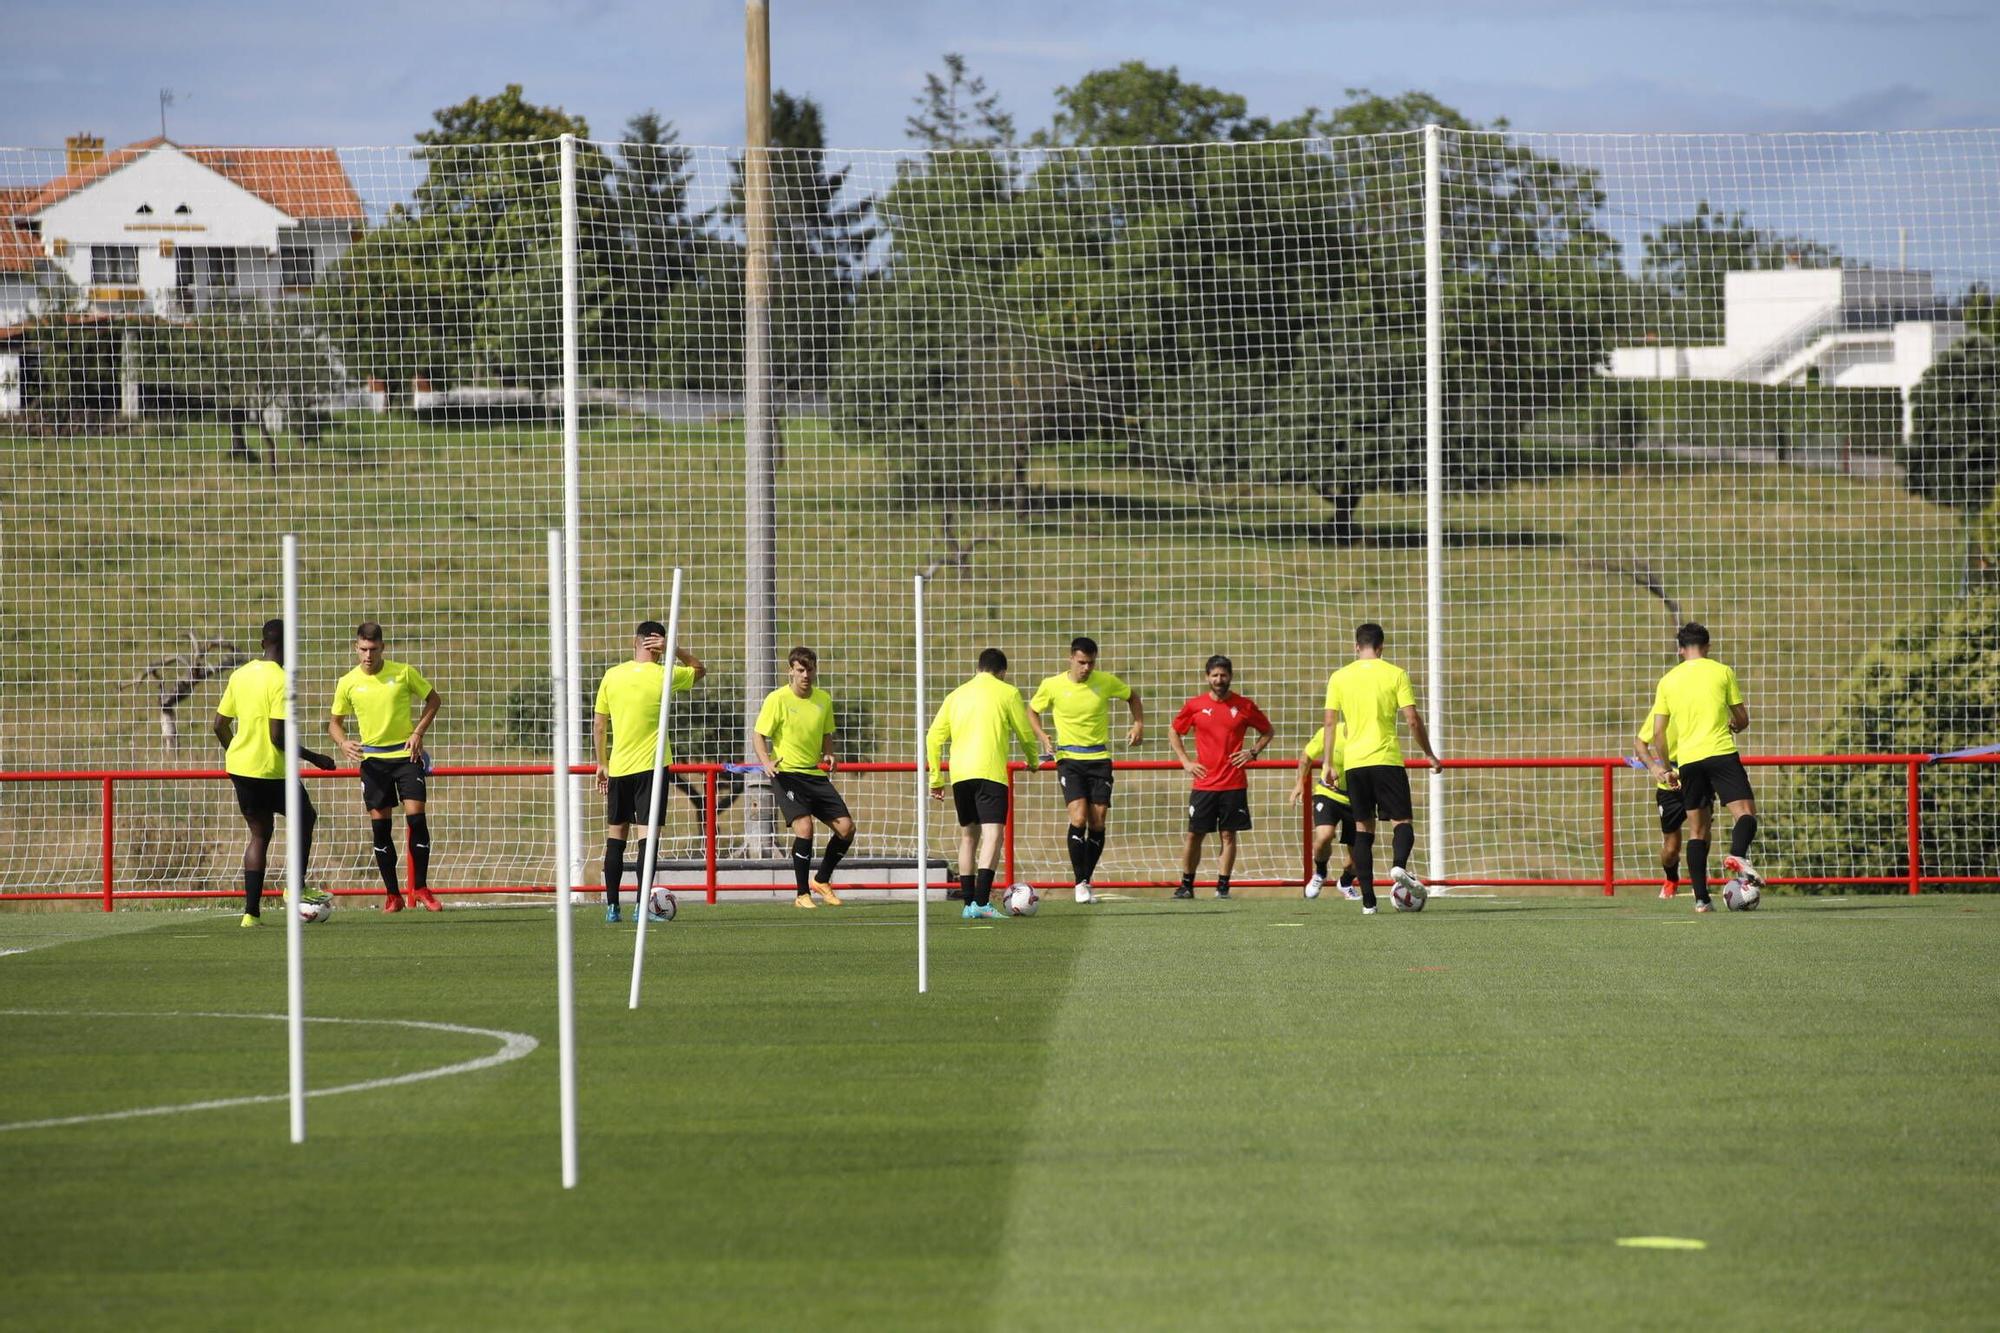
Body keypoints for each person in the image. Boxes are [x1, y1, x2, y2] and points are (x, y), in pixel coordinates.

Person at [213, 619, 336, 927]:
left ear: (261, 644)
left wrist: (235, 752)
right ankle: (295, 886)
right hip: (272, 771)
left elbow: (218, 725)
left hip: (241, 770)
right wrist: (315, 757)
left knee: (259, 834)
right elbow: (278, 737)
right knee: (305, 816)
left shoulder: (240, 675)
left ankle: (250, 915)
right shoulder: (282, 681)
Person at [1323, 623, 1442, 914]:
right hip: (1386, 759)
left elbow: (1329, 722)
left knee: (1363, 830)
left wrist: (1327, 763)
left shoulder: (1340, 677)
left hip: (1355, 764)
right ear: (1381, 647)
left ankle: (1368, 902)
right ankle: (1399, 867)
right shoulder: (1395, 673)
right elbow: (1412, 719)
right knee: (1401, 822)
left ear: (1356, 646)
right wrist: (1429, 754)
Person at [592, 621, 706, 924]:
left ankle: (612, 907)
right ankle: (642, 906)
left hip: (619, 768)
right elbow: (699, 669)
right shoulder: (665, 674)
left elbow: (599, 725)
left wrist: (602, 763)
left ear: (635, 641)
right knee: (647, 839)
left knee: (616, 838)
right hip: (652, 770)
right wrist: (675, 651)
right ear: (659, 645)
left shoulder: (612, 676)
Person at [1644, 622, 1760, 914]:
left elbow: (1658, 732)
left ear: (1681, 650)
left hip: (1689, 762)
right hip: (1721, 753)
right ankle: (1736, 855)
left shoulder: (1668, 680)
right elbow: (1742, 718)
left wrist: (1667, 767)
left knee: (1697, 831)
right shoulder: (1722, 671)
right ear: (1707, 647)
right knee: (1745, 813)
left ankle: (1701, 901)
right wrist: (1737, 724)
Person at [328, 621, 442, 913]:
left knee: (417, 821)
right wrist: (343, 743)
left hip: (406, 757)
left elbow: (433, 699)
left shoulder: (403, 672)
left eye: (374, 649)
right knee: (381, 829)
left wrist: (418, 733)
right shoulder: (347, 682)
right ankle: (393, 895)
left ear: (383, 648)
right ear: (356, 648)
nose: (368, 655)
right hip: (373, 762)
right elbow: (334, 724)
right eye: (363, 649)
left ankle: (421, 887)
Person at [927, 648, 1043, 920]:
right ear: (1002, 672)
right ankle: (981, 902)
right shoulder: (1007, 692)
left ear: (977, 668)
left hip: (960, 775)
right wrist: (1034, 760)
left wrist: (936, 777)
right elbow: (1024, 732)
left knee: (969, 836)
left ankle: (968, 904)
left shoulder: (955, 695)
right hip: (990, 773)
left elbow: (933, 737)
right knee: (994, 835)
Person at [1027, 636, 1143, 905]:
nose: (1086, 668)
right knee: (1079, 818)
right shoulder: (1052, 685)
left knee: (1098, 822)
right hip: (1069, 758)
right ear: (1071, 659)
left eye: (1091, 663)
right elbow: (1032, 710)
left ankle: (1085, 880)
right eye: (1081, 662)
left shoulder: (1105, 681)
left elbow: (1132, 696)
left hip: (1100, 759)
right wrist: (1043, 735)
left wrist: (1138, 723)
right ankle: (1080, 882)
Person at [1168, 655, 1273, 901]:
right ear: (1207, 677)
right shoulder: (1195, 705)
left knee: (1228, 835)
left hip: (1233, 782)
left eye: (1223, 675)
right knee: (1195, 834)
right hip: (1204, 783)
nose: (1219, 679)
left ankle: (1223, 887)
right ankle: (1186, 885)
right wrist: (1185, 761)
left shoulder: (1244, 705)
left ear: (1230, 677)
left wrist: (1252, 752)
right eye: (1214, 675)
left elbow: (1268, 730)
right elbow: (1174, 730)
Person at [754, 646, 850, 911]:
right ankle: (801, 893)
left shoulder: (823, 700)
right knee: (805, 828)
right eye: (800, 670)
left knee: (846, 829)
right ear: (791, 672)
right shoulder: (778, 699)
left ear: (815, 670)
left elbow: (826, 734)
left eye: (809, 669)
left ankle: (821, 881)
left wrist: (829, 754)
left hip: (814, 774)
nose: (805, 674)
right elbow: (759, 734)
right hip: (787, 775)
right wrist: (765, 761)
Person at [1633, 706, 1708, 900]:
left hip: (1698, 781)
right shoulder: (1664, 711)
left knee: (1701, 835)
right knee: (1671, 849)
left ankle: (1699, 884)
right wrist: (1653, 767)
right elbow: (1640, 743)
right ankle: (1671, 878)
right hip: (1670, 790)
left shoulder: (1703, 707)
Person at [1292, 724, 1361, 902]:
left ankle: (1345, 882)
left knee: (1359, 856)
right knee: (1324, 836)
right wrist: (1300, 783)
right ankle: (1320, 873)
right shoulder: (1330, 731)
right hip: (1328, 794)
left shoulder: (1368, 735)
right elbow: (1306, 756)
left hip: (1357, 799)